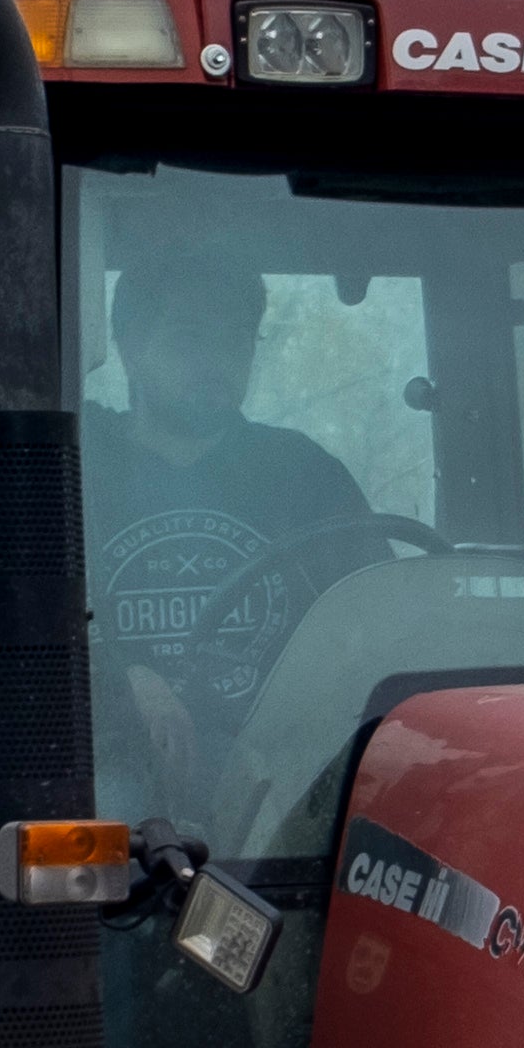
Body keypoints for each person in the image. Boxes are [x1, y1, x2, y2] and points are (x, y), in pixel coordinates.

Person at [77, 250, 372, 817]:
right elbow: (16, 630)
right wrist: (118, 684)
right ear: (128, 349)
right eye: (188, 338)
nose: (217, 361)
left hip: (282, 792)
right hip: (113, 790)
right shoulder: (77, 466)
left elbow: (372, 631)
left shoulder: (304, 476)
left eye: (237, 339)